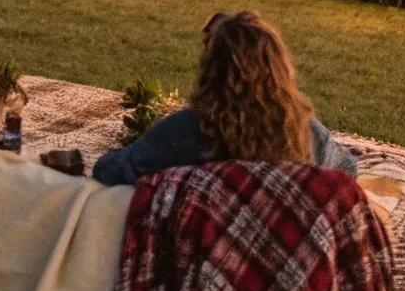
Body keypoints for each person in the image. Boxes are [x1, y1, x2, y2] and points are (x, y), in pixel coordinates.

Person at [92, 10, 358, 186]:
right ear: (279, 70)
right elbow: (347, 170)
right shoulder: (306, 134)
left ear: (211, 69)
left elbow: (109, 171)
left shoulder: (184, 131)